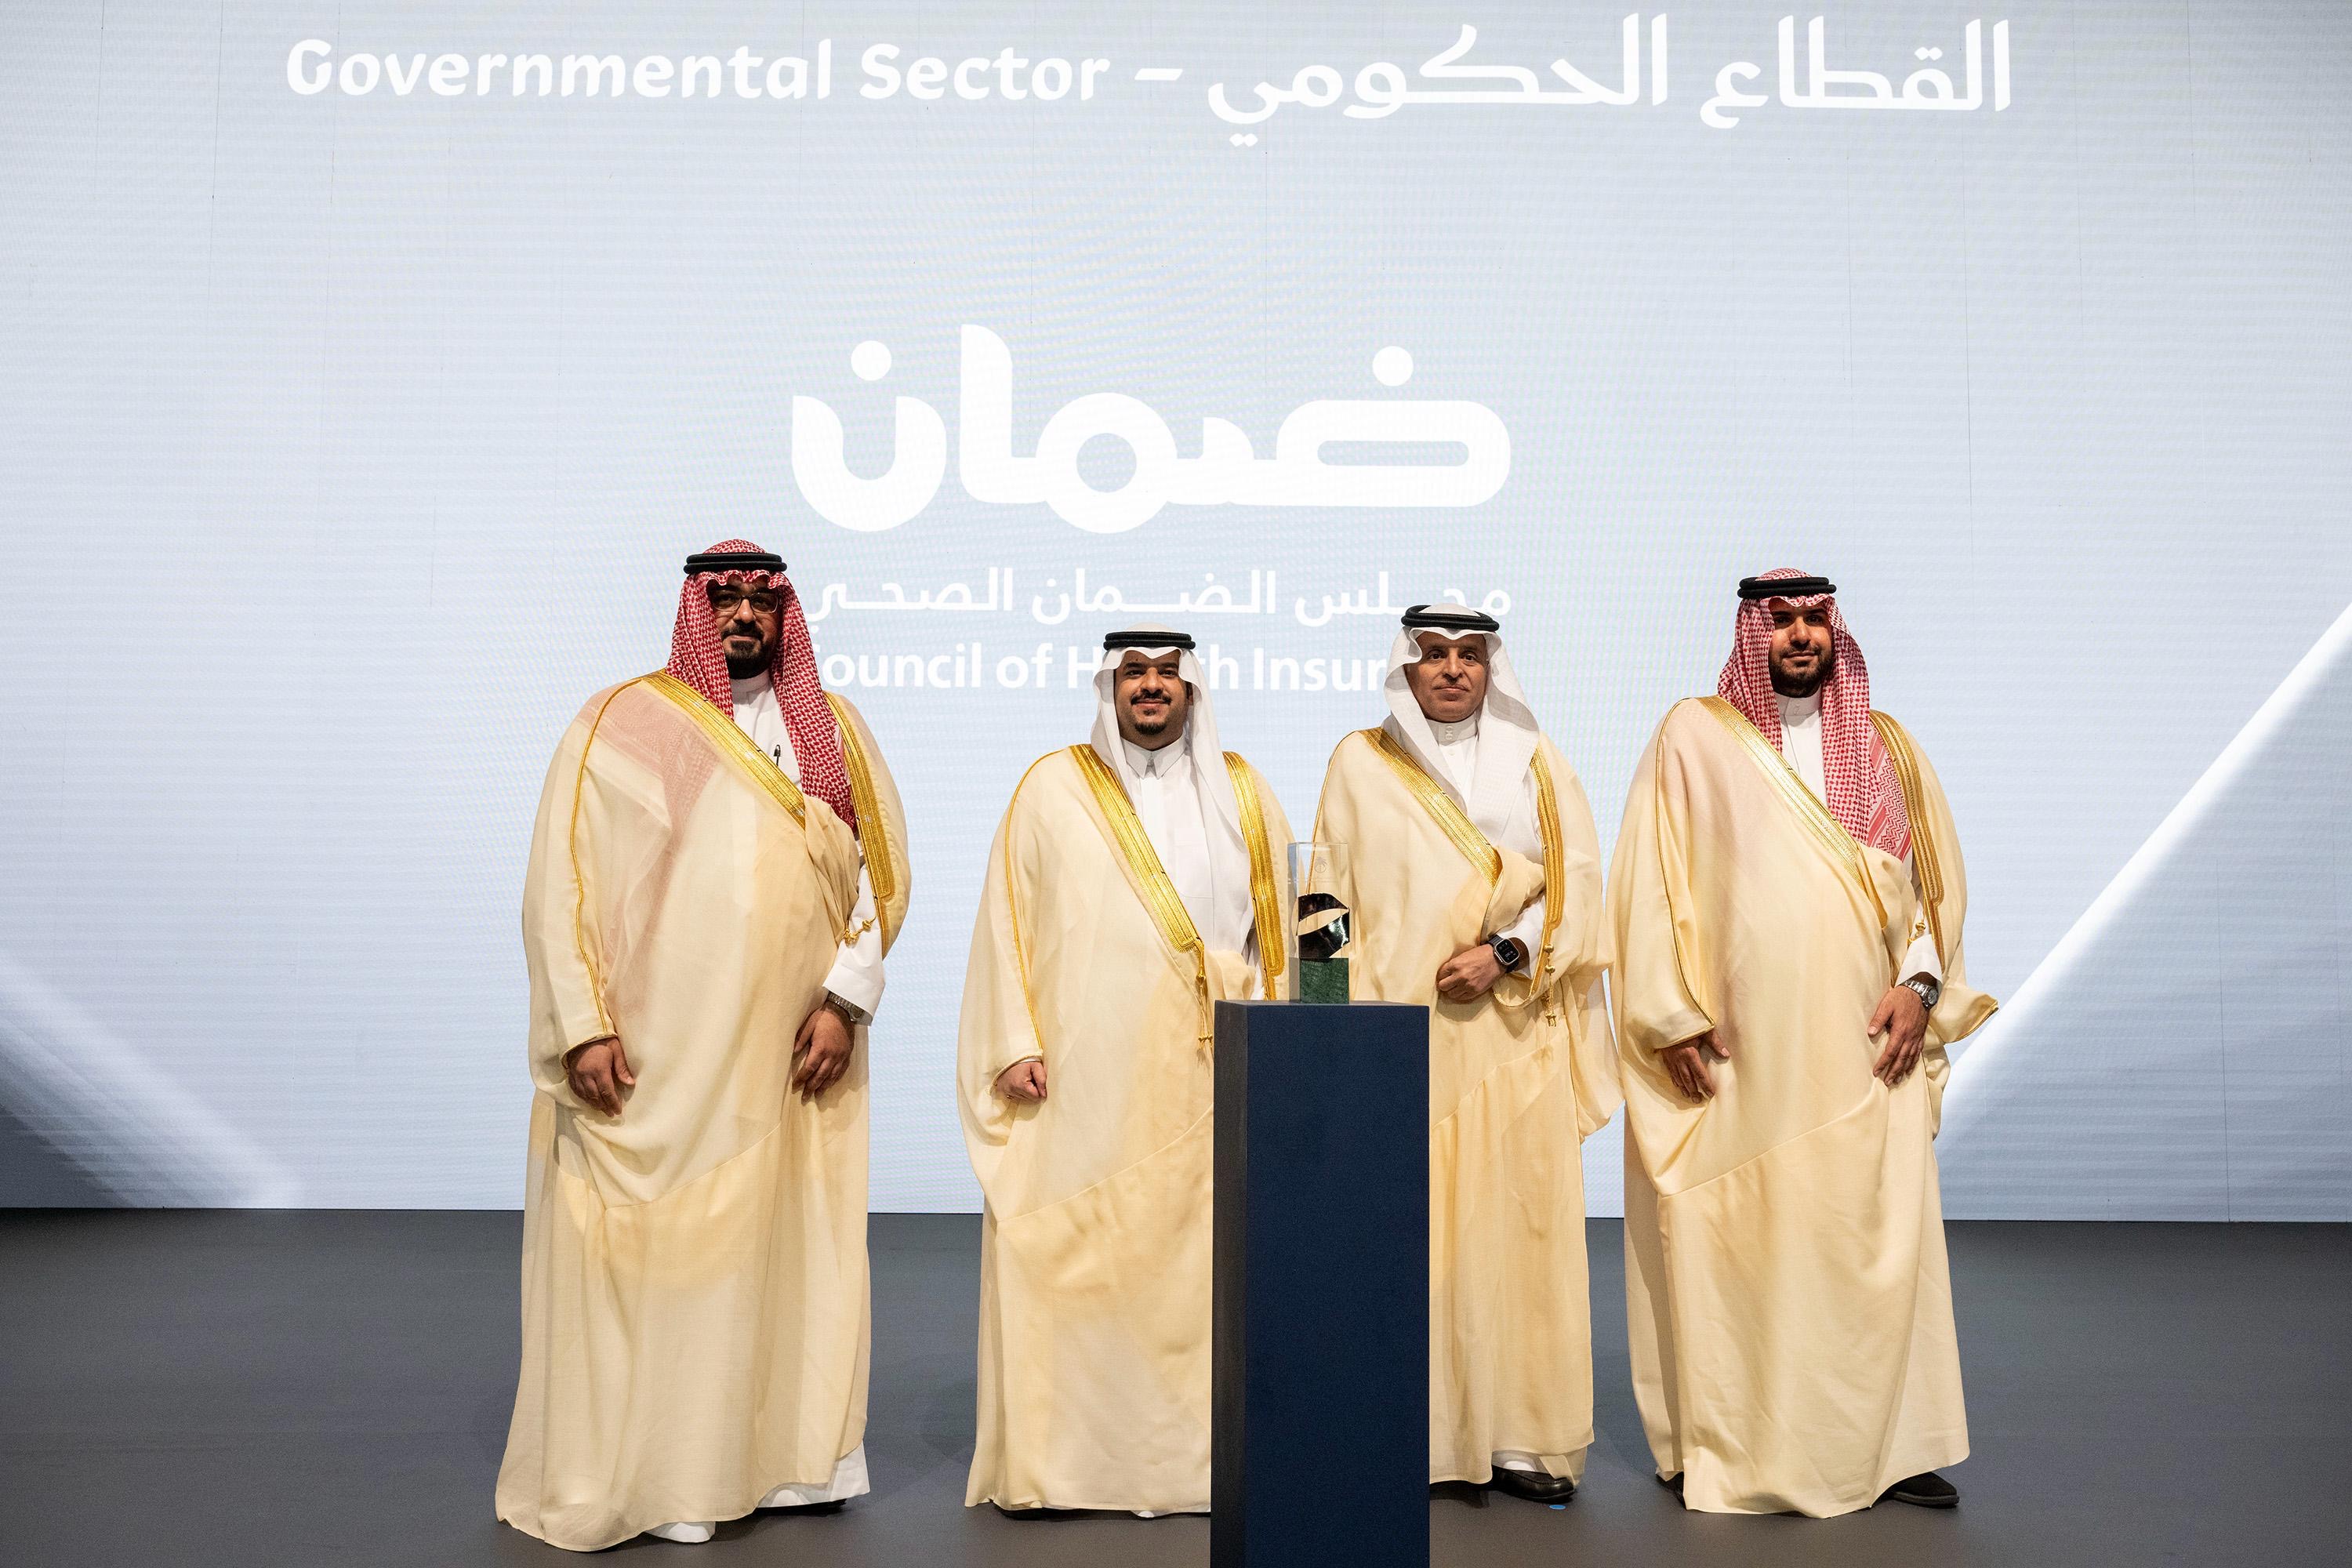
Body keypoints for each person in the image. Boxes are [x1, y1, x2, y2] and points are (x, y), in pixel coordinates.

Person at [496, 540, 911, 1550]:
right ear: (696, 608)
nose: (742, 615)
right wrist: (583, 1022)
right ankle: (667, 1472)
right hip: (660, 1060)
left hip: (794, 1058)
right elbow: (561, 881)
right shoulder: (621, 721)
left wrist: (845, 1001)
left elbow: (878, 878)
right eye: (722, 598)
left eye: (760, 599)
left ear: (784, 612)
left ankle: (787, 1466)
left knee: (787, 1253)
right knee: (670, 1260)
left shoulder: (834, 731)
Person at [1610, 568, 1998, 1517]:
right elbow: (1649, 878)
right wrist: (1669, 1013)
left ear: (1835, 631)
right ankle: (1733, 1440)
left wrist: (1919, 990)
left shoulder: (1887, 745)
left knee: (1871, 1242)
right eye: (1779, 619)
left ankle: (1890, 1445)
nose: (1797, 635)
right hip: (1744, 1056)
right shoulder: (1695, 736)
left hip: (1869, 1045)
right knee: (1747, 1244)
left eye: (1813, 619)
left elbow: (1928, 893)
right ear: (1754, 632)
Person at [956, 626, 1292, 1515]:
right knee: (1080, 1252)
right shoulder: (1051, 786)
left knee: (1195, 1266)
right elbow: (1006, 919)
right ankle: (1066, 1469)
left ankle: (1194, 1466)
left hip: (1211, 1070)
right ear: (1110, 686)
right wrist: (1012, 1041)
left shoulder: (1246, 790)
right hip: (1081, 1074)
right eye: (1134, 672)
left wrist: (1284, 1043)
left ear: (1192, 688)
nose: (1151, 687)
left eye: (1167, 674)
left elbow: (1280, 933)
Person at [1308, 604, 1618, 1502]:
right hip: (1393, 1045)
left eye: (1470, 655)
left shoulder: (1537, 761)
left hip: (1511, 1038)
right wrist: (1324, 1030)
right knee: (1403, 1239)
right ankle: (1407, 1431)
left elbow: (1580, 885)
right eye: (1435, 654)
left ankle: (1521, 1439)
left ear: (1491, 667)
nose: (1452, 669)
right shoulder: (1358, 760)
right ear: (1406, 667)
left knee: (1519, 1237)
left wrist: (1506, 951)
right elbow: (1324, 896)